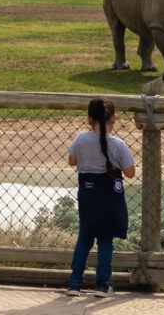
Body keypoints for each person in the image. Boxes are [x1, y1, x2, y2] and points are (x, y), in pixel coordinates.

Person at [65, 98, 136, 298]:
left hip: (87, 194)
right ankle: (102, 285)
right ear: (114, 118)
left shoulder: (81, 139)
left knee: (84, 238)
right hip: (109, 197)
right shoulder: (119, 145)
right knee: (105, 240)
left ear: (89, 119)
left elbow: (72, 161)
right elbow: (130, 173)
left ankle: (74, 284)